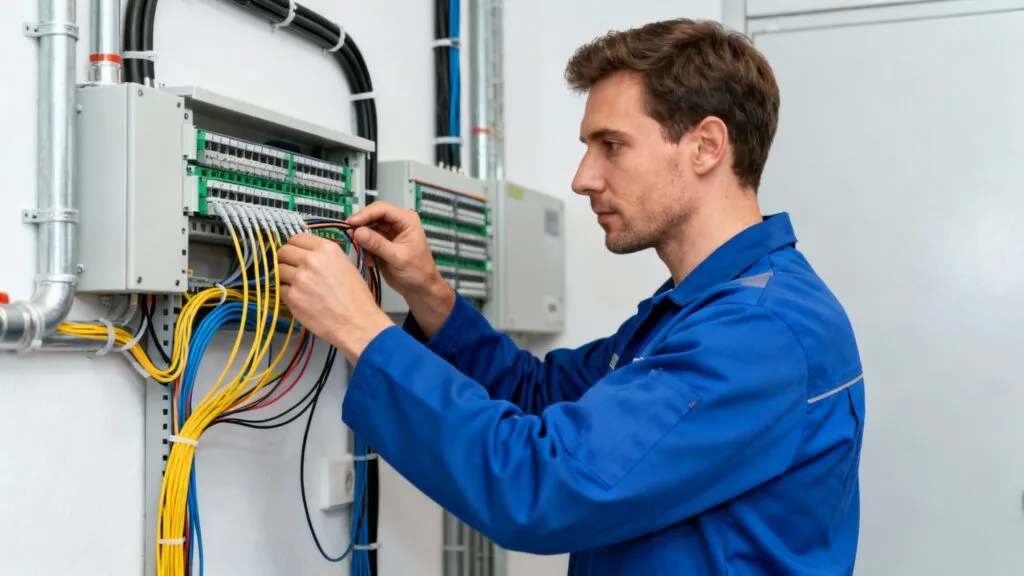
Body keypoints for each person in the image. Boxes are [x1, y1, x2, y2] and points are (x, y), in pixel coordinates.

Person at [278, 17, 865, 576]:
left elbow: (539, 486)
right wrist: (427, 292)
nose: (583, 177)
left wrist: (361, 329)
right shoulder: (705, 308)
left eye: (611, 145)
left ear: (706, 146)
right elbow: (542, 396)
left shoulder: (758, 334)